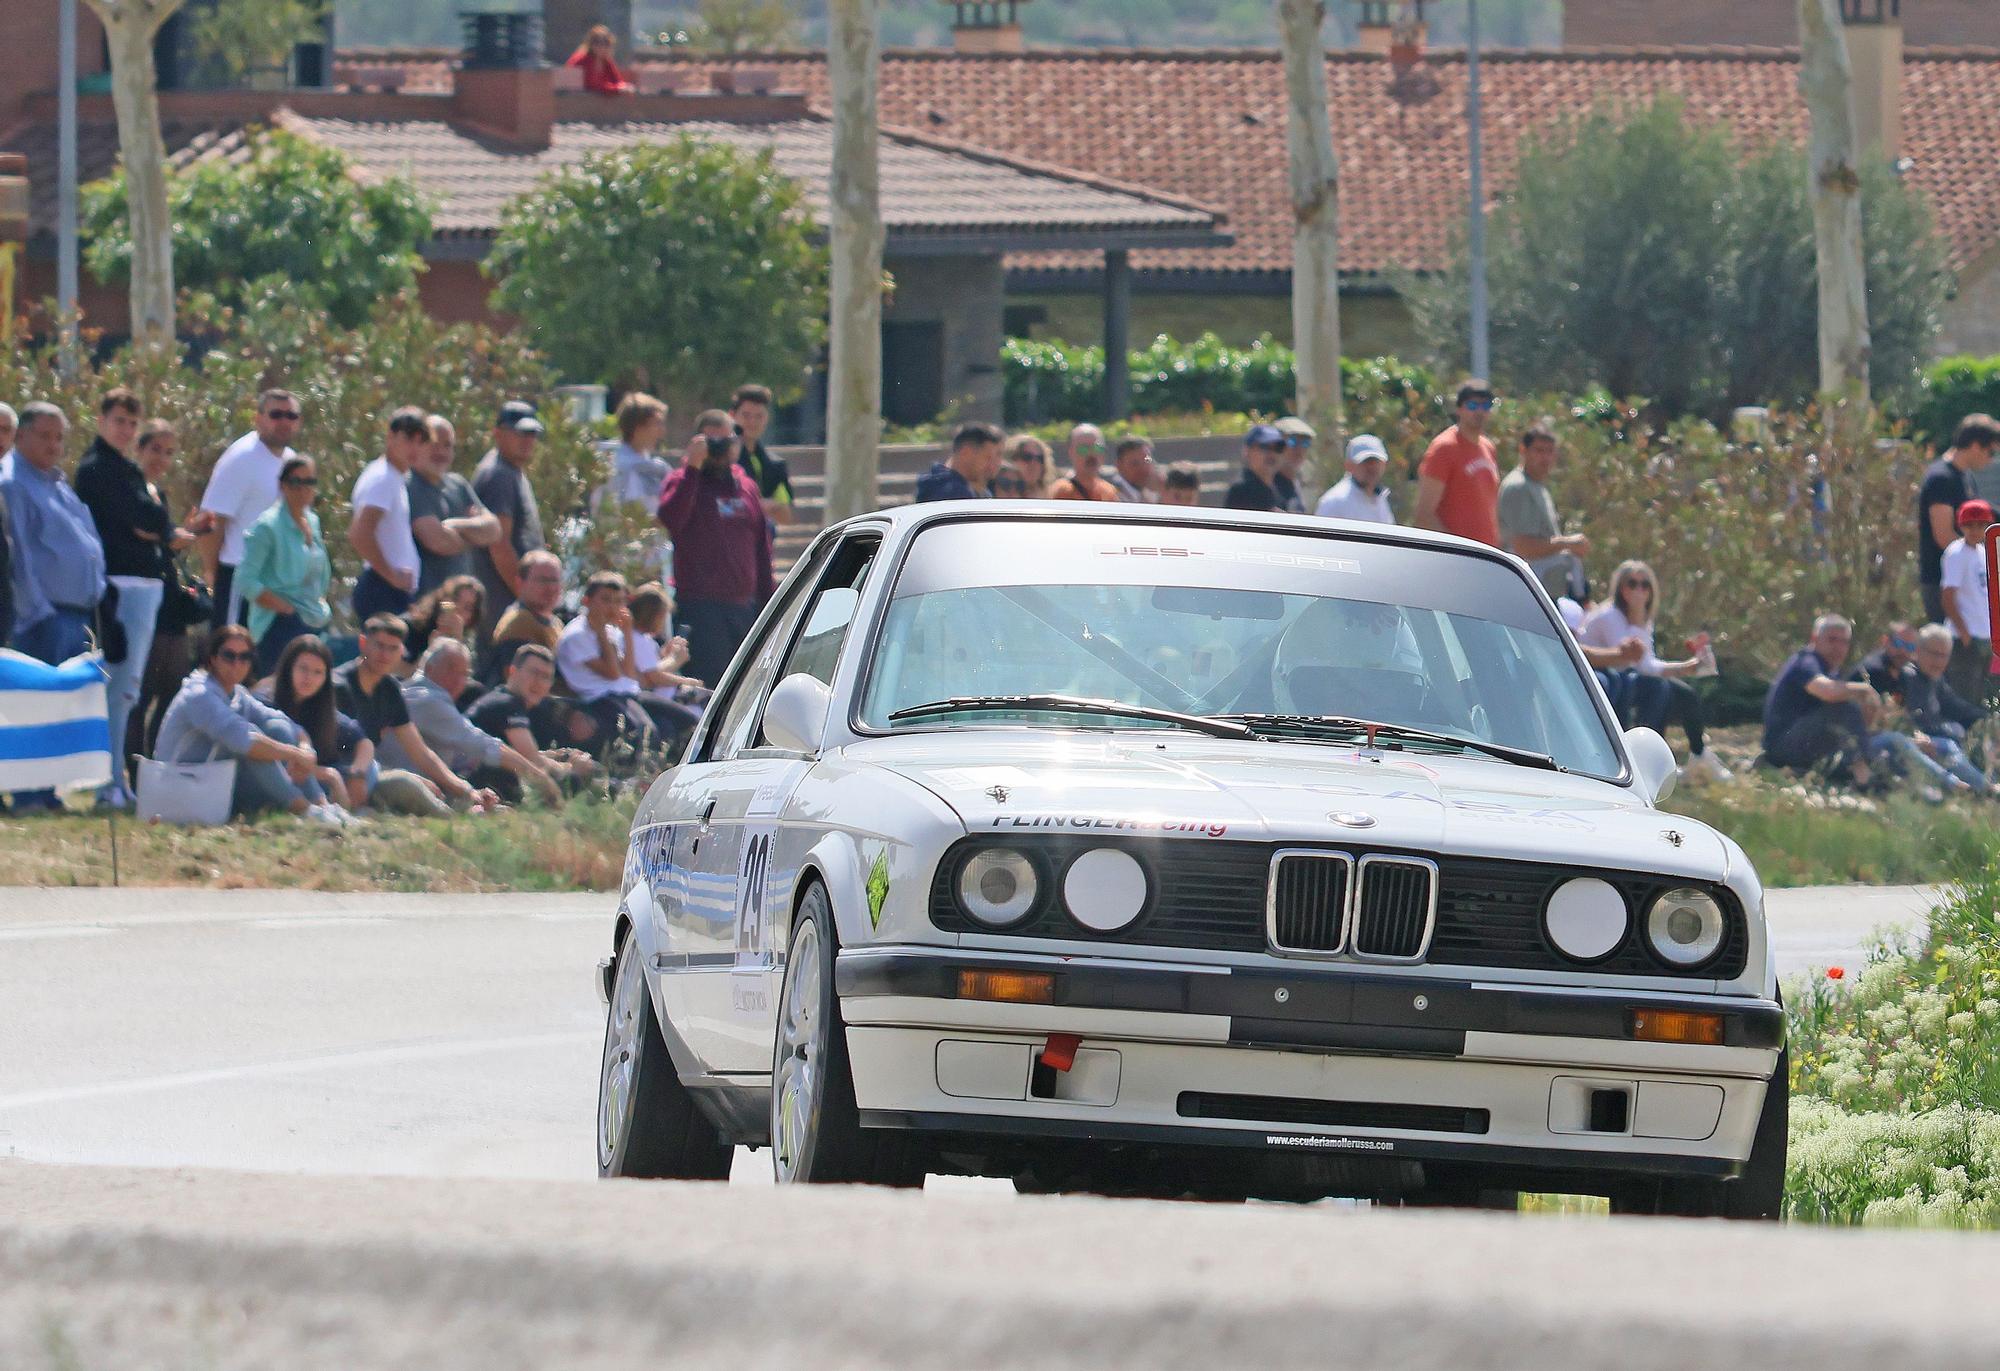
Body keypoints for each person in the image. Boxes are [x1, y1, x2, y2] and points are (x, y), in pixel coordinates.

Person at [2, 403, 106, 813]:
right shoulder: (13, 483)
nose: (53, 444)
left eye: (59, 437)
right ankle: (27, 794)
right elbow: (21, 556)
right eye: (44, 435)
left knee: (57, 708)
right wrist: (37, 611)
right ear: (21, 436)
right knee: (32, 707)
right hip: (43, 616)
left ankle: (47, 790)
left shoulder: (57, 483)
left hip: (76, 612)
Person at [151, 625, 351, 825]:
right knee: (256, 749)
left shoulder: (237, 694)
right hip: (179, 787)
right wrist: (295, 754)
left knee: (277, 728)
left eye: (245, 657)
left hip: (211, 783)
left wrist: (305, 749)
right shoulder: (200, 694)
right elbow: (247, 742)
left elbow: (288, 725)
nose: (237, 663)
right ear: (213, 658)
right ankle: (306, 810)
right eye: (229, 655)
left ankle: (321, 806)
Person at [74, 388, 166, 805]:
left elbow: (157, 521)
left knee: (128, 689)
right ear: (101, 421)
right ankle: (105, 783)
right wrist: (150, 523)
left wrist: (153, 524)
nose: (126, 430)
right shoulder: (95, 470)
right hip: (119, 585)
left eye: (132, 423)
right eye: (118, 421)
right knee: (117, 687)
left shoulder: (127, 470)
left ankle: (116, 780)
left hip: (144, 584)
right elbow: (144, 518)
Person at [1579, 560, 1730, 784]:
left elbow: (1646, 663)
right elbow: (1633, 662)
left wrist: (1688, 667)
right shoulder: (1610, 616)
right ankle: (1638, 759)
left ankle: (1693, 756)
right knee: (1657, 688)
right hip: (1600, 676)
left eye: (1645, 585)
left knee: (1686, 695)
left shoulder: (1640, 618)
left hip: (1626, 675)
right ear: (1621, 588)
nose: (1639, 590)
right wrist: (1683, 667)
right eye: (1632, 584)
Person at [333, 614, 498, 815]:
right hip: (342, 777)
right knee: (404, 782)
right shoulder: (339, 686)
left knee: (437, 785)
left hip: (369, 776)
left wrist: (465, 789)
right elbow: (338, 754)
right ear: (363, 643)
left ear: (401, 651)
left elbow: (421, 753)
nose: (385, 655)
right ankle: (454, 819)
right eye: (379, 646)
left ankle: (478, 806)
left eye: (393, 648)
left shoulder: (390, 689)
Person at [657, 411, 775, 690]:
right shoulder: (684, 480)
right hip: (702, 608)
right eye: (712, 441)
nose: (720, 449)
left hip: (744, 608)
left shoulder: (745, 486)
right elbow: (671, 518)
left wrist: (768, 603)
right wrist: (693, 468)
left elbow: (761, 547)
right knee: (712, 689)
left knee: (748, 688)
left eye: (726, 440)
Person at [378, 639, 562, 805]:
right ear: (429, 668)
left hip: (420, 782)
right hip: (405, 786)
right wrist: (542, 779)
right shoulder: (428, 699)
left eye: (464, 674)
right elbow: (487, 747)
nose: (458, 680)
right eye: (450, 668)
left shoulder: (417, 693)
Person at [127, 420, 210, 763]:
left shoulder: (158, 494)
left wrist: (183, 535)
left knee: (173, 690)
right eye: (155, 450)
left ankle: (156, 760)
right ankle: (131, 765)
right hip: (141, 605)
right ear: (140, 449)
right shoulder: (128, 489)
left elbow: (163, 548)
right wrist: (172, 536)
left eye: (168, 452)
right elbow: (138, 539)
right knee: (140, 694)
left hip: (169, 607)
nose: (161, 458)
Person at [556, 571, 692, 757]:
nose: (612, 607)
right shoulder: (578, 635)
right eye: (606, 600)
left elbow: (628, 673)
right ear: (587, 601)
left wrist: (626, 631)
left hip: (627, 692)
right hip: (601, 697)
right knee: (644, 731)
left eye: (618, 601)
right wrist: (602, 635)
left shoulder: (611, 630)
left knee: (688, 720)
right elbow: (612, 673)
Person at [196, 388, 300, 628]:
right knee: (232, 656)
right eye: (276, 414)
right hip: (241, 578)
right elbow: (211, 521)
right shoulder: (242, 457)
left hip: (278, 582)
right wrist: (213, 574)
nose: (284, 421)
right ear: (259, 418)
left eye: (291, 416)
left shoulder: (291, 461)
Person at [235, 455, 332, 678]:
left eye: (309, 482)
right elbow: (245, 580)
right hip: (277, 627)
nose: (303, 489)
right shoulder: (267, 526)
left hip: (313, 620)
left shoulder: (312, 521)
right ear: (282, 485)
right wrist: (285, 609)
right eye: (295, 482)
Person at [259, 634, 372, 812]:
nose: (309, 678)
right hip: (280, 780)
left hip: (317, 779)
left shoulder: (322, 710)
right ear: (289, 669)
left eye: (318, 672)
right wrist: (330, 776)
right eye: (303, 668)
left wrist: (357, 774)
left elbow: (364, 742)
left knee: (369, 767)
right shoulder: (264, 703)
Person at [1761, 614, 1880, 781]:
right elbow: (1828, 692)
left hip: (1806, 743)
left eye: (1844, 642)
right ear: (1815, 639)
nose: (1838, 647)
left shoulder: (1832, 670)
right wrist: (1864, 690)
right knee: (1845, 709)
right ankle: (1863, 778)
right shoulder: (1806, 662)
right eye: (1832, 640)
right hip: (1782, 745)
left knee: (1880, 740)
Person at [468, 644, 597, 797]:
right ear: (512, 672)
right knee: (575, 781)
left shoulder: (503, 699)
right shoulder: (506, 704)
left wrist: (555, 756)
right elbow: (532, 761)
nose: (539, 682)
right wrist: (572, 768)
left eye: (546, 677)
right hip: (473, 786)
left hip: (480, 783)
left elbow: (521, 756)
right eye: (534, 673)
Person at [472, 401, 547, 639]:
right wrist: (527, 599)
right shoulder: (499, 475)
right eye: (519, 433)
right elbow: (499, 544)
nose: (527, 440)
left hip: (512, 606)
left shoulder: (512, 471)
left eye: (532, 433)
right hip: (503, 606)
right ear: (498, 434)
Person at [1918, 415, 2000, 624]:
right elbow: (1944, 536)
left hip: (1966, 583)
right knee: (1954, 652)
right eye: (1990, 452)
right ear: (1974, 446)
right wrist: (1984, 560)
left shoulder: (1964, 476)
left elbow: (1981, 513)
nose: (1991, 459)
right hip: (1944, 584)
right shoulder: (1941, 479)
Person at [1498, 420, 1592, 600]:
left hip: (1545, 592)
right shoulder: (1518, 487)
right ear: (1523, 451)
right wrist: (1567, 543)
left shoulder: (1538, 487)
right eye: (1539, 451)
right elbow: (1522, 547)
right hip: (1524, 592)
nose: (1545, 458)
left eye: (1550, 451)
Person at [348, 406, 426, 622]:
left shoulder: (394, 477)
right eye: (409, 438)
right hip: (381, 589)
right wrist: (392, 576)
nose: (415, 447)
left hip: (392, 591)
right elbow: (359, 534)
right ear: (391, 436)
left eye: (421, 441)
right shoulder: (383, 478)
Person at [409, 414, 500, 597]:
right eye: (434, 444)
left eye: (448, 445)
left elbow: (494, 530)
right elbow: (438, 541)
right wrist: (475, 535)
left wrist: (453, 526)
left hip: (461, 606)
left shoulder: (458, 485)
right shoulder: (410, 485)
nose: (441, 452)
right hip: (424, 602)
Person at [1414, 379, 1502, 546]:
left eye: (1485, 406)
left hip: (1486, 557)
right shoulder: (1444, 448)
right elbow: (1424, 516)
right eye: (1472, 406)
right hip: (1457, 559)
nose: (1479, 412)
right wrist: (1458, 549)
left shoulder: (1488, 447)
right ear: (1459, 409)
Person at [1906, 623, 1991, 793]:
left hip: (1939, 740)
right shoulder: (1908, 678)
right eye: (1934, 654)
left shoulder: (1935, 679)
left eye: (1944, 656)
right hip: (1918, 742)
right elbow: (1918, 722)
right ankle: (1985, 789)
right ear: (1918, 651)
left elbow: (1957, 707)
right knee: (1949, 744)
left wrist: (1988, 720)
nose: (1939, 662)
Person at [479, 549, 567, 684]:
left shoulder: (556, 624)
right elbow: (516, 682)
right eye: (542, 580)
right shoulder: (519, 621)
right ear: (520, 583)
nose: (550, 588)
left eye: (554, 580)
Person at [1940, 498, 1995, 705]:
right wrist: (1964, 633)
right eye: (1969, 524)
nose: (1974, 529)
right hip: (1965, 637)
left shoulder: (1983, 552)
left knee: (1984, 697)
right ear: (1961, 525)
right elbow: (1947, 597)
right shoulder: (1956, 553)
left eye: (1980, 524)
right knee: (1964, 697)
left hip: (1985, 637)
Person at [732, 384, 794, 525]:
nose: (752, 422)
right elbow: (718, 508)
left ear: (767, 418)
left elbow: (786, 516)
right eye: (746, 415)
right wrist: (757, 506)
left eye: (759, 416)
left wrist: (774, 506)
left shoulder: (775, 465)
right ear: (733, 416)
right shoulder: (722, 461)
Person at [403, 573, 484, 668]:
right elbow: (397, 674)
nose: (458, 609)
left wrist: (457, 644)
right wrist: (430, 652)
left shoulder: (467, 642)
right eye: (455, 600)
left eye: (467, 607)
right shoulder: (411, 626)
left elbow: (461, 679)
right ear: (442, 599)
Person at [608, 393, 671, 509]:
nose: (662, 432)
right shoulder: (618, 467)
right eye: (657, 424)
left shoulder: (650, 465)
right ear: (637, 428)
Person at [914, 421, 1004, 502]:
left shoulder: (977, 490)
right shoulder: (950, 493)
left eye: (999, 456)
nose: (995, 464)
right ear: (966, 452)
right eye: (988, 457)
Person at [1315, 435, 1395, 524]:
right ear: (1349, 466)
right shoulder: (1335, 502)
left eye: (1376, 461)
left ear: (1384, 464)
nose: (1372, 467)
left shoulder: (1380, 498)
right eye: (1365, 462)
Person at [1049, 424, 1121, 502]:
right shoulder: (1060, 491)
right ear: (1071, 452)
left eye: (1097, 448)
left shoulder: (1109, 492)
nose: (1091, 454)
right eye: (1083, 449)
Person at [1224, 424, 1288, 512]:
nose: (1272, 454)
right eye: (1265, 447)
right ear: (1247, 451)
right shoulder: (1242, 491)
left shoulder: (1282, 489)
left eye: (1278, 448)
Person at [1860, 621, 1920, 703]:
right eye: (1898, 644)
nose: (1903, 651)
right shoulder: (1870, 671)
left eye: (1910, 647)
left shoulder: (1908, 675)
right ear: (1885, 641)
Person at [566, 23, 633, 94]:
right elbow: (593, 85)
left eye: (606, 43)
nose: (602, 47)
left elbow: (618, 81)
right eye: (597, 42)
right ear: (590, 44)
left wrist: (625, 87)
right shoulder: (582, 60)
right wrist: (617, 89)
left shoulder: (606, 61)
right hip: (578, 101)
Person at [1273, 417, 1314, 513]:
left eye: (1305, 443)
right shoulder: (1265, 486)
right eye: (1292, 441)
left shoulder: (1295, 483)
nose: (1299, 450)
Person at [1105, 437, 1158, 503]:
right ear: (1119, 466)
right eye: (1135, 463)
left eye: (1147, 461)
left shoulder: (1154, 491)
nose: (1143, 468)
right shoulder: (1111, 494)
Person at [1003, 434, 1053, 499]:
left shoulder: (1051, 498)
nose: (1034, 463)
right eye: (1027, 457)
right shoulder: (995, 495)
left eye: (1039, 458)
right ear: (1011, 458)